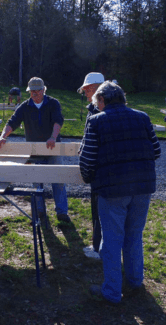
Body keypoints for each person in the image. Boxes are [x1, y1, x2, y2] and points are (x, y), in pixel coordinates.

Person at [79, 81, 161, 304]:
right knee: (134, 237)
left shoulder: (96, 121)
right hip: (142, 188)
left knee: (112, 241)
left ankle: (112, 292)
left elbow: (86, 159)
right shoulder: (143, 117)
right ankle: (135, 282)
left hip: (113, 190)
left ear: (102, 100)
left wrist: (88, 179)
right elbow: (156, 150)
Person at [0, 77, 69, 222]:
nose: (34, 94)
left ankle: (62, 212)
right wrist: (3, 136)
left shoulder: (53, 103)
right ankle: (40, 211)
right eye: (31, 91)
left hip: (53, 148)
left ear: (43, 90)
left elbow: (58, 121)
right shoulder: (24, 106)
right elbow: (12, 122)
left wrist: (53, 137)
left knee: (58, 179)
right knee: (36, 181)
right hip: (34, 150)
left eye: (37, 91)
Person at [78, 72, 104, 259]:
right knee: (97, 209)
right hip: (98, 169)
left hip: (100, 170)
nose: (86, 92)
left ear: (97, 89)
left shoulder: (100, 111)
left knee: (101, 211)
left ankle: (99, 248)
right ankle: (98, 245)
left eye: (88, 89)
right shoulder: (93, 109)